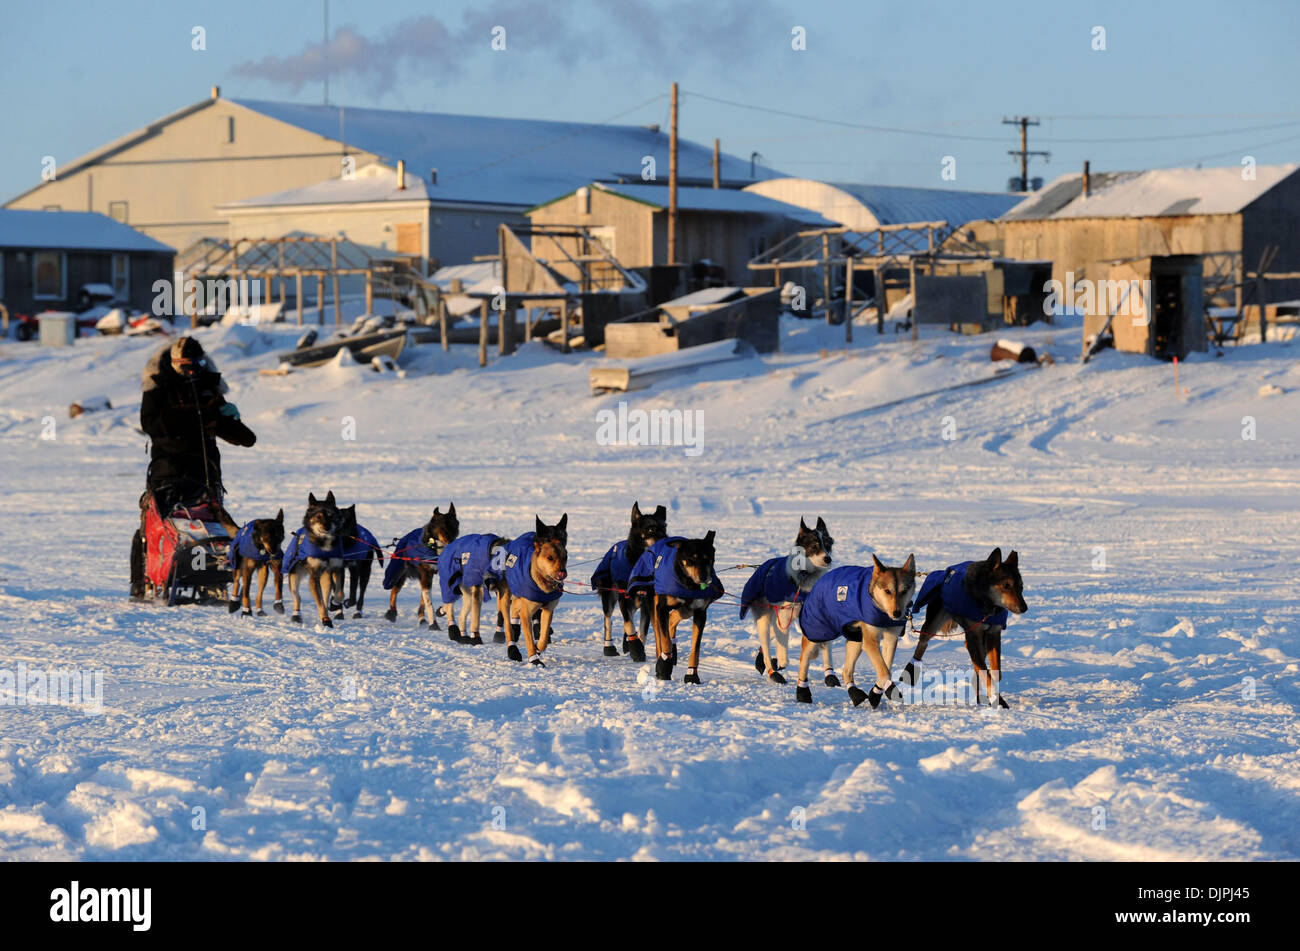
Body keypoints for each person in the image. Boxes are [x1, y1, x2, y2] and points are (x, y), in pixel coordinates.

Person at [129, 336, 256, 598]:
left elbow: (242, 437)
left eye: (196, 364)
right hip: (168, 468)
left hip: (205, 471)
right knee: (156, 527)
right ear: (174, 363)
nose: (191, 371)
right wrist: (197, 413)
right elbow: (150, 425)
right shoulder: (157, 388)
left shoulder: (208, 387)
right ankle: (141, 582)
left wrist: (230, 422)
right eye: (185, 366)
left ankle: (210, 577)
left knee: (207, 526)